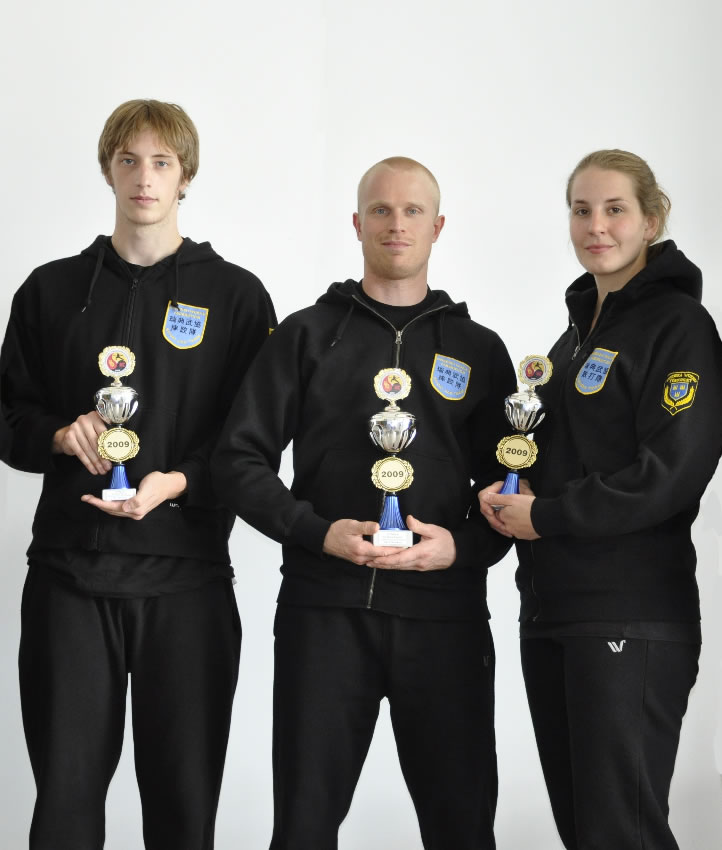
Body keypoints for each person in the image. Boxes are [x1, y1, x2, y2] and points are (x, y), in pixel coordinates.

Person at [211, 156, 516, 850]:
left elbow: (510, 491)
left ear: (438, 227)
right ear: (356, 223)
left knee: (462, 828)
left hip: (445, 620)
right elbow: (238, 458)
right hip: (326, 615)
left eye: (413, 212)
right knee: (304, 827)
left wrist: (460, 549)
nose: (397, 224)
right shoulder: (307, 335)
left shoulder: (477, 349)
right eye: (381, 210)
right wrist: (314, 533)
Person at [0, 99, 275, 849]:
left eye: (160, 161)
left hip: (186, 581)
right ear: (107, 170)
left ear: (185, 175)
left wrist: (177, 482)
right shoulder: (51, 289)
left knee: (183, 810)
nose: (144, 177)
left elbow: (251, 441)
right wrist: (61, 433)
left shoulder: (238, 297)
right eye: (128, 160)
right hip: (69, 576)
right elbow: (9, 417)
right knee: (64, 803)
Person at [480, 149, 722, 850]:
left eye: (615, 208)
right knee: (587, 834)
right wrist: (504, 493)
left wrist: (547, 515)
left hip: (630, 614)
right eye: (582, 209)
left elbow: (672, 472)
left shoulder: (678, 326)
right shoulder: (574, 337)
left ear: (651, 219)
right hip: (553, 611)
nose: (596, 225)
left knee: (622, 833)